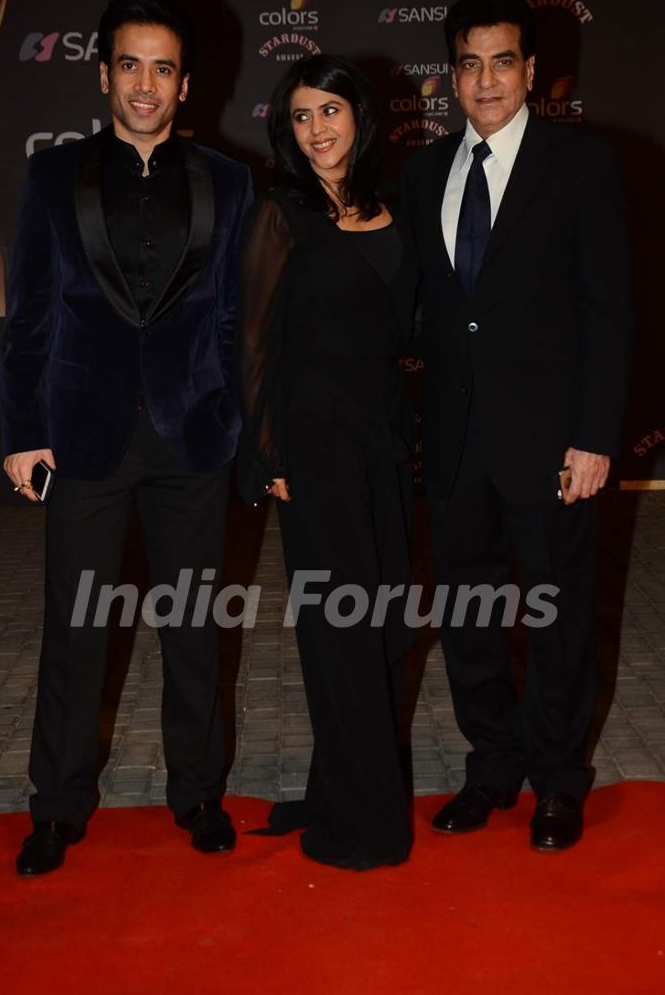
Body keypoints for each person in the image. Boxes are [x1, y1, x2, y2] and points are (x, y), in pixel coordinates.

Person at [1, 0, 253, 875]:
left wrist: (236, 422)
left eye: (165, 68)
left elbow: (232, 319)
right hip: (83, 435)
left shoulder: (229, 182)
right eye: (131, 64)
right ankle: (57, 803)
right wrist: (24, 428)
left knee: (193, 628)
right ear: (105, 71)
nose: (146, 84)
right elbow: (29, 312)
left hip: (193, 439)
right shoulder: (51, 176)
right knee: (74, 629)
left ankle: (199, 792)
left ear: (187, 85)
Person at [401, 0, 631, 850]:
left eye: (503, 61)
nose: (486, 80)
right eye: (469, 62)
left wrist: (596, 435)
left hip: (551, 442)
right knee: (466, 615)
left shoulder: (583, 166)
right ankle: (493, 764)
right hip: (456, 443)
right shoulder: (424, 173)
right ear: (450, 74)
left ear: (532, 71)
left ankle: (559, 780)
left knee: (560, 614)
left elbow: (609, 312)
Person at [238, 54, 419, 870]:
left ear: (360, 116)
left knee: (383, 625)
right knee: (341, 624)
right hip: (311, 446)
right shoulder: (282, 211)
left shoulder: (394, 209)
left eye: (331, 111)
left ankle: (335, 782)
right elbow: (251, 338)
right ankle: (365, 822)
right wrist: (266, 447)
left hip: (384, 437)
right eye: (302, 115)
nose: (317, 129)